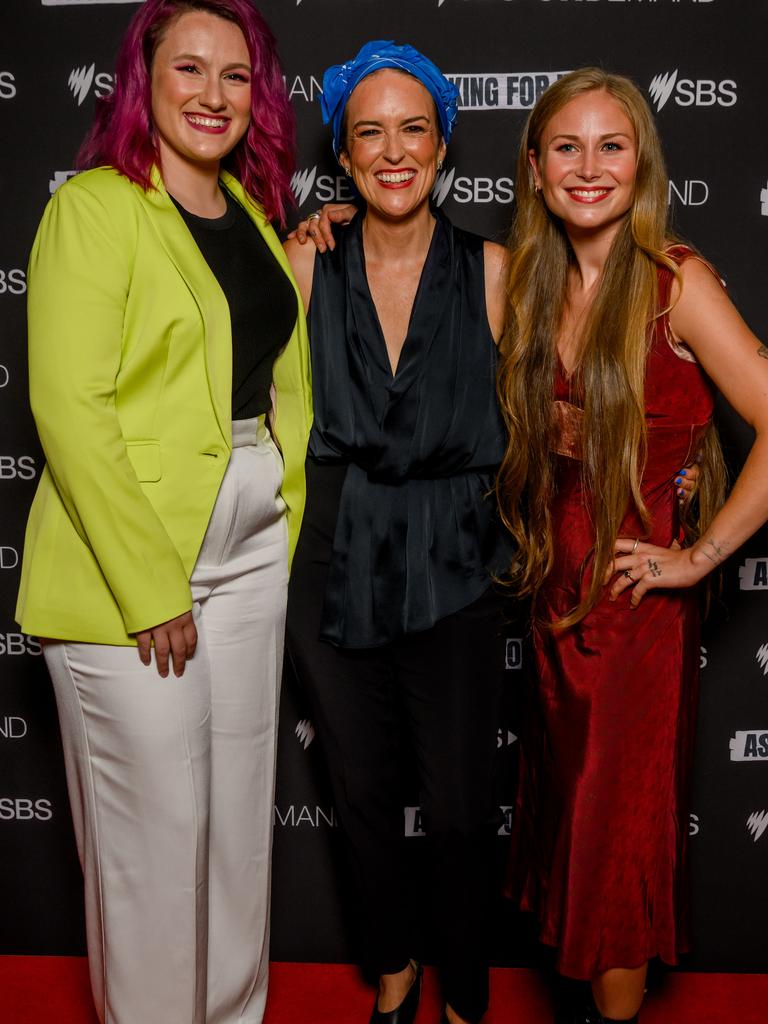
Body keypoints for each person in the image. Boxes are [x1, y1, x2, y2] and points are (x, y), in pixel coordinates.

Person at [15, 2, 311, 1022]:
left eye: (236, 76)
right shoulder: (95, 209)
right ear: (145, 80)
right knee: (154, 847)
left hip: (250, 532)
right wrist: (149, 587)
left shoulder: (254, 213)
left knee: (233, 832)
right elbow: (71, 408)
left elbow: (270, 379)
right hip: (129, 554)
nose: (212, 95)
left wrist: (276, 517)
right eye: (189, 69)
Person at [495, 67, 768, 1024]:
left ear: (642, 162)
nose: (589, 167)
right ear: (533, 168)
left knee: (615, 842)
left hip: (636, 613)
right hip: (553, 600)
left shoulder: (674, 282)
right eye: (566, 146)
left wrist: (697, 557)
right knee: (573, 824)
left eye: (611, 145)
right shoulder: (528, 283)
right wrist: (319, 229)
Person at [283, 40, 512, 1024]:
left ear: (444, 145)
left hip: (458, 553)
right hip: (333, 551)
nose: (392, 150)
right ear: (340, 153)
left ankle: (462, 990)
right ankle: (393, 971)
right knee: (362, 791)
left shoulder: (495, 269)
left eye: (412, 128)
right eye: (367, 131)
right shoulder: (303, 259)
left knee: (460, 808)